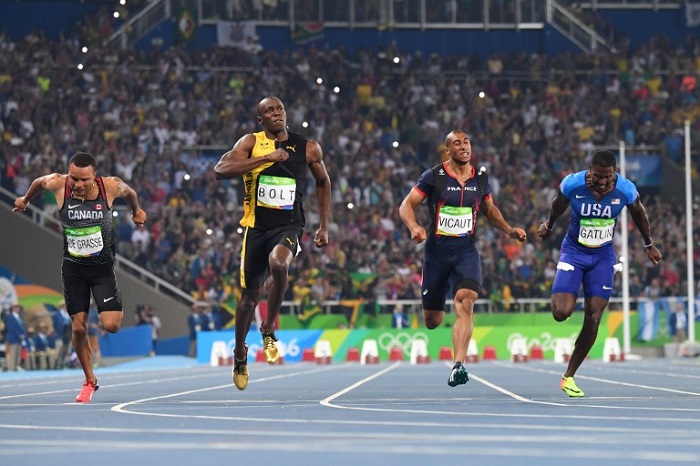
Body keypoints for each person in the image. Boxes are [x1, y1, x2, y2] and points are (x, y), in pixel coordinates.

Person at [214, 96, 331, 390]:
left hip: (289, 225)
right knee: (247, 300)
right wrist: (266, 158)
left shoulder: (308, 147)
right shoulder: (251, 143)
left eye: (279, 108)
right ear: (260, 119)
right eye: (269, 111)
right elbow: (220, 171)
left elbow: (323, 182)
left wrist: (324, 225)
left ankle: (268, 327)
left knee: (279, 263)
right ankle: (240, 354)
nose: (276, 113)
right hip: (255, 228)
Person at [12, 151, 147, 402]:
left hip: (102, 270)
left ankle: (106, 314)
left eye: (84, 180)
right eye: (74, 178)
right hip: (73, 269)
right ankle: (89, 380)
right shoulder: (58, 184)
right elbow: (38, 183)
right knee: (78, 328)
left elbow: (131, 193)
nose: (78, 184)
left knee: (112, 325)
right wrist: (25, 200)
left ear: (94, 176)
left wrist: (136, 211)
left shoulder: (111, 186)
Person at [399, 129, 527, 387]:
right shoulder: (433, 176)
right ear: (448, 150)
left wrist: (509, 229)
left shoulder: (480, 178)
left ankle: (459, 365)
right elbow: (406, 205)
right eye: (456, 143)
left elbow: (490, 211)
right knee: (433, 321)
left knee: (465, 301)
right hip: (436, 254)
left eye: (466, 141)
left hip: (465, 252)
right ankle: (441, 292)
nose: (463, 146)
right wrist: (414, 227)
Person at [537, 149, 661, 398]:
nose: (603, 182)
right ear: (589, 170)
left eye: (608, 177)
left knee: (594, 317)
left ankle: (569, 376)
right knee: (561, 313)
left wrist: (649, 244)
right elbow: (558, 204)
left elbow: (638, 212)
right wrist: (549, 225)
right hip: (573, 253)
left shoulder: (625, 189)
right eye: (598, 176)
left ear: (614, 173)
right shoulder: (573, 183)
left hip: (603, 258)